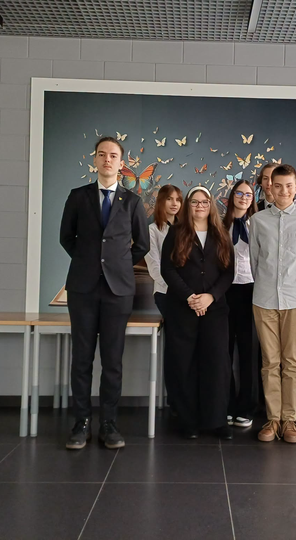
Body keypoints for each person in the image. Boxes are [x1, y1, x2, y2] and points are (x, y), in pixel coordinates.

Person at [60, 136, 150, 451]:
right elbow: (66, 238)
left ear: (121, 163)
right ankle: (81, 423)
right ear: (95, 160)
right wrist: (89, 262)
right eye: (102, 154)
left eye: (113, 155)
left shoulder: (133, 201)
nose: (107, 159)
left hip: (118, 290)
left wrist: (116, 263)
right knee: (82, 358)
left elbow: (142, 244)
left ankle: (109, 423)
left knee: (112, 360)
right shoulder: (78, 196)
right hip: (82, 289)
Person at [249, 164, 296, 444]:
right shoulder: (258, 220)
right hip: (264, 298)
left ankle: (289, 420)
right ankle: (273, 419)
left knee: (291, 361)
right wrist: (267, 285)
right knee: (270, 362)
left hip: (295, 299)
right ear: (270, 187)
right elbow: (255, 261)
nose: (283, 191)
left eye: (289, 186)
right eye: (278, 186)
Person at [161, 186, 235, 439]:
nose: (200, 206)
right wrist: (190, 297)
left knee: (216, 363)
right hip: (182, 308)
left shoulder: (221, 233)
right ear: (188, 205)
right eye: (195, 201)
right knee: (183, 363)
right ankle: (187, 420)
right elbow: (167, 269)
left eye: (204, 202)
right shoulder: (175, 232)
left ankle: (216, 420)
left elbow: (228, 272)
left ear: (211, 205)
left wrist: (210, 297)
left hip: (215, 309)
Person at [223, 179, 258, 429]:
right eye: (239, 193)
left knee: (249, 352)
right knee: (223, 351)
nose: (243, 197)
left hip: (252, 290)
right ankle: (226, 405)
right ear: (231, 196)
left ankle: (246, 407)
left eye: (248, 194)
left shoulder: (257, 224)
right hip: (224, 291)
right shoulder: (219, 224)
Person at [145, 184, 183, 412]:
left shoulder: (186, 228)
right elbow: (154, 266)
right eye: (169, 199)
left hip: (187, 294)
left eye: (178, 199)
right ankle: (175, 400)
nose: (174, 203)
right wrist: (179, 289)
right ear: (161, 202)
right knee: (175, 345)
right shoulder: (153, 230)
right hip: (166, 294)